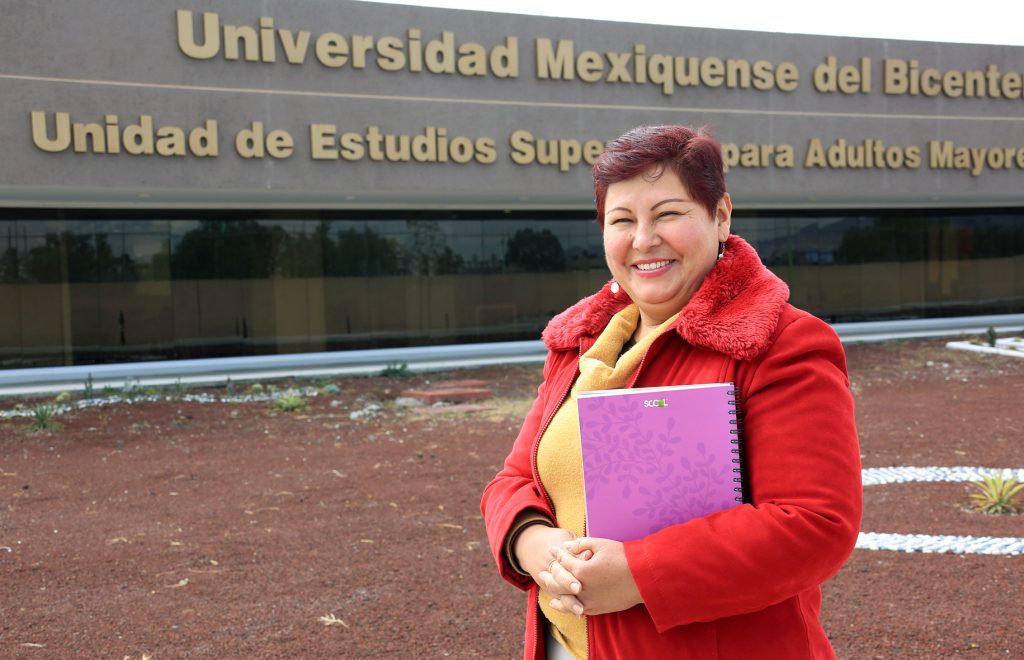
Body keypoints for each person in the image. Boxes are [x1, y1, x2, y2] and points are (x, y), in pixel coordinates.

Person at [480, 124, 862, 659]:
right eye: (622, 220)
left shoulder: (781, 344)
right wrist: (531, 542)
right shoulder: (579, 345)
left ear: (721, 215)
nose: (643, 239)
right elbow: (513, 480)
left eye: (667, 214)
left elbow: (813, 524)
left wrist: (638, 574)